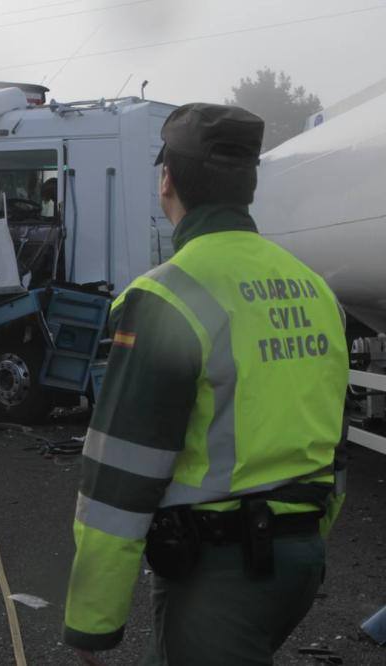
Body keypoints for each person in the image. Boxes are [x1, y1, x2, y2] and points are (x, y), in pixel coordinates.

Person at [62, 103, 349, 665]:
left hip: (219, 574)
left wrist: (93, 624)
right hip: (299, 559)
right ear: (247, 187)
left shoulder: (166, 297)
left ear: (166, 179)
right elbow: (332, 438)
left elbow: (120, 476)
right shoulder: (317, 291)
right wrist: (307, 538)